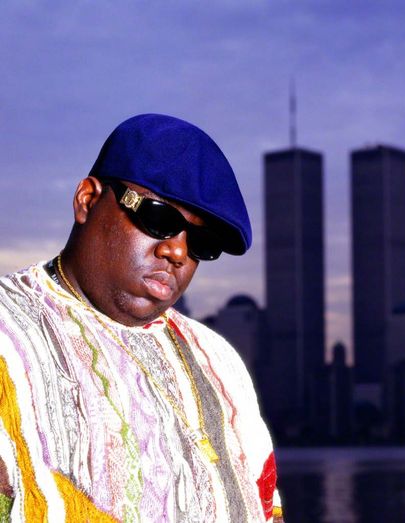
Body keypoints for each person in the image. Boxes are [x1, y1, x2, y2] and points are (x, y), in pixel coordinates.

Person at [0, 114, 283, 522]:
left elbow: (266, 506)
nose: (177, 252)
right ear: (87, 200)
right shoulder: (8, 332)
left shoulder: (217, 359)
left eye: (201, 243)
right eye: (158, 218)